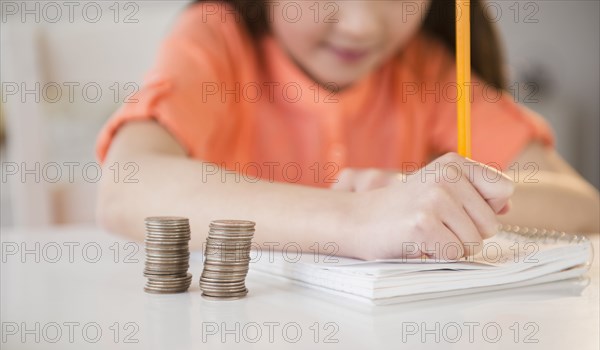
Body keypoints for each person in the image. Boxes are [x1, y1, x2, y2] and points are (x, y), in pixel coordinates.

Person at [96, 0, 599, 260]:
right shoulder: (216, 41)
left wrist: (421, 198)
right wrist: (360, 218)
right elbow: (125, 188)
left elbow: (580, 205)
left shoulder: (426, 71)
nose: (361, 25)